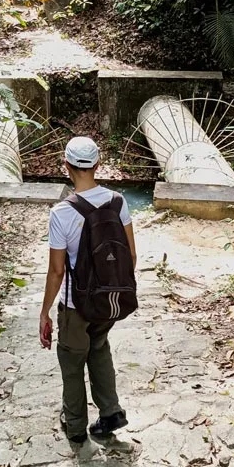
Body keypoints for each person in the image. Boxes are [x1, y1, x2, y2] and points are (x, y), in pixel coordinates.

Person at [38, 136, 137, 445]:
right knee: (99, 349)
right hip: (109, 300)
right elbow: (130, 255)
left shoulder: (62, 213)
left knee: (71, 362)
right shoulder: (118, 202)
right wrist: (112, 287)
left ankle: (77, 427)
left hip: (74, 304)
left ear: (66, 166)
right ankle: (110, 413)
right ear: (98, 164)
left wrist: (44, 313)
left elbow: (56, 271)